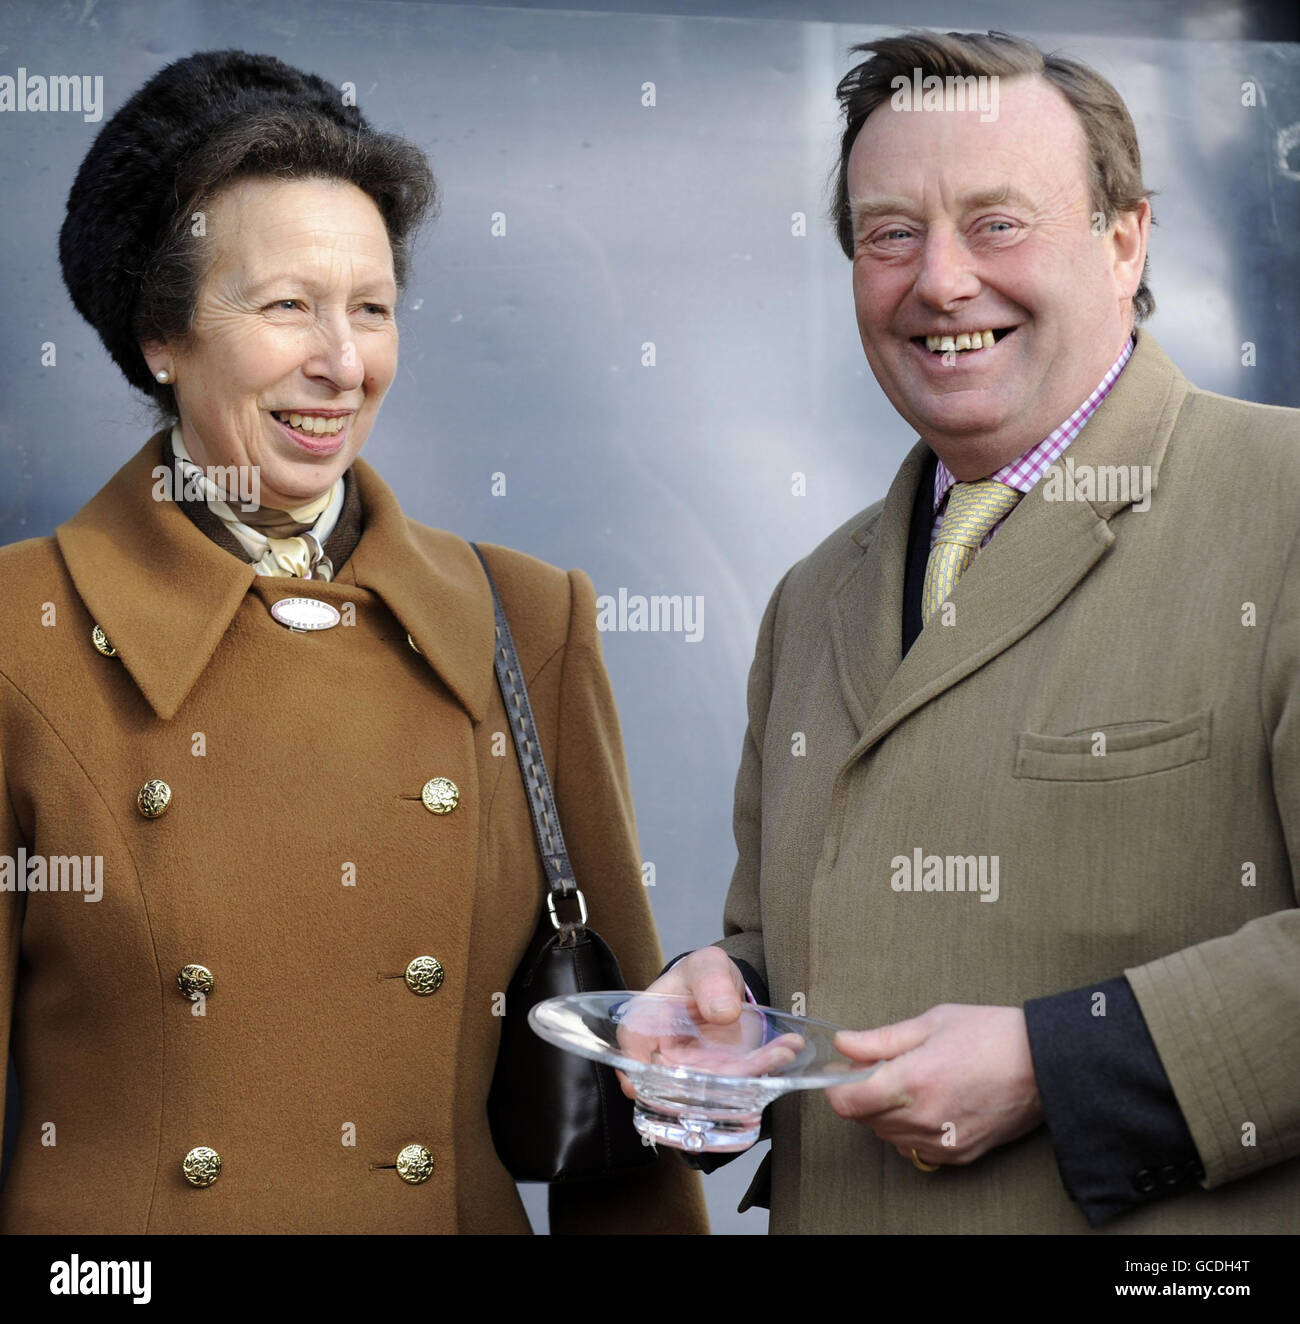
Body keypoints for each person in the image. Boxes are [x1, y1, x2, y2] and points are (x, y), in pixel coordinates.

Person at [0, 49, 707, 1236]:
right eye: (286, 306)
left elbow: (620, 1131)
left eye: (371, 306)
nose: (343, 361)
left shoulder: (526, 620)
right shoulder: (23, 635)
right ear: (160, 334)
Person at [643, 29, 1300, 1233]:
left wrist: (1060, 1062)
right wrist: (726, 998)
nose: (939, 282)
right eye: (891, 232)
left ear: (1125, 239)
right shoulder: (812, 596)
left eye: (997, 223)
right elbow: (798, 943)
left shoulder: (1286, 503)